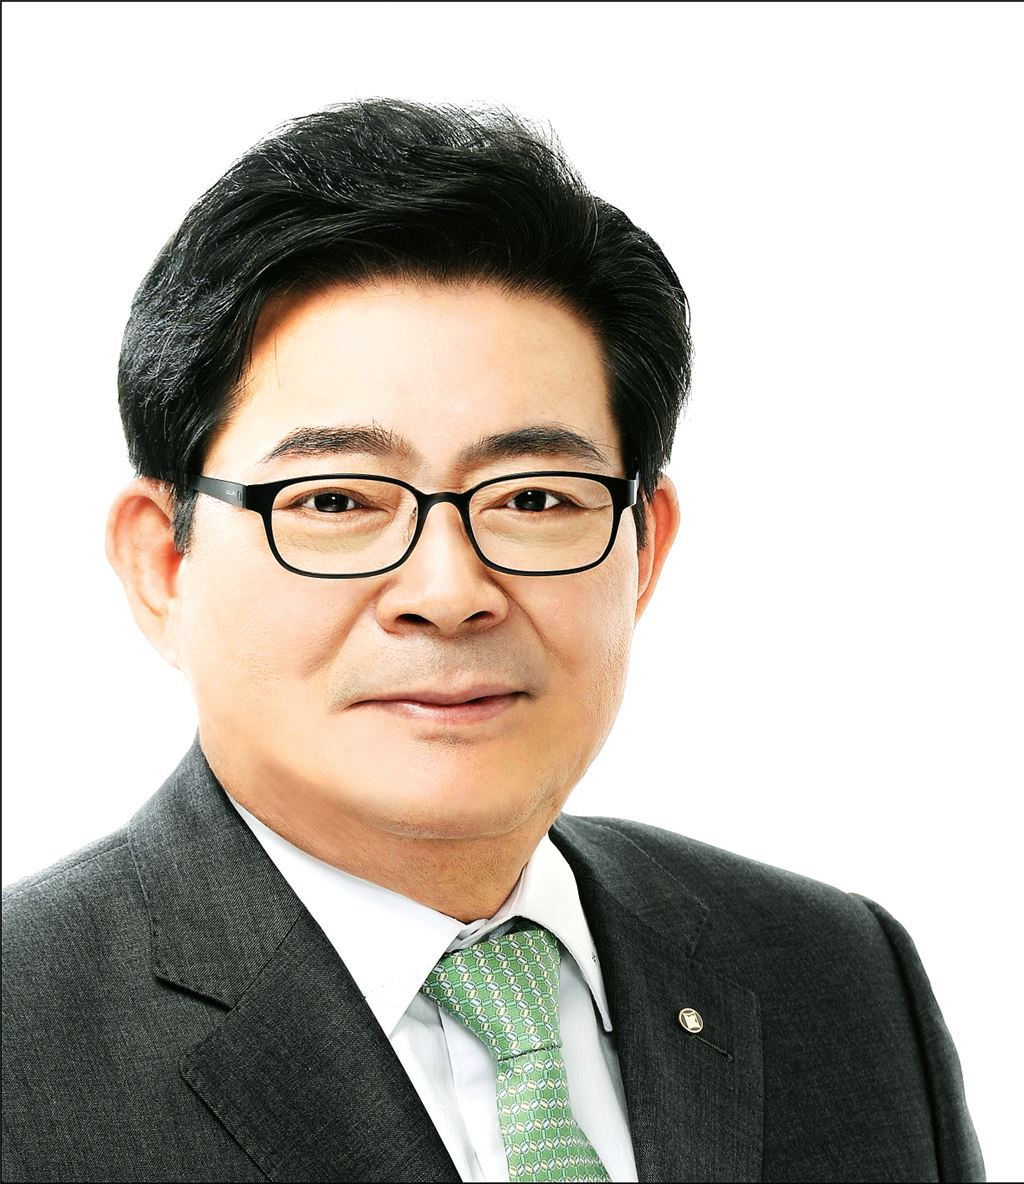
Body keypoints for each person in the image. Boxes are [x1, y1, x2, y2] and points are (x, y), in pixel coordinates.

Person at [1, 98, 983, 1184]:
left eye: (533, 497)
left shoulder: (838, 977)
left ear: (642, 549)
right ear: (163, 563)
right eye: (336, 500)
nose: (448, 591)